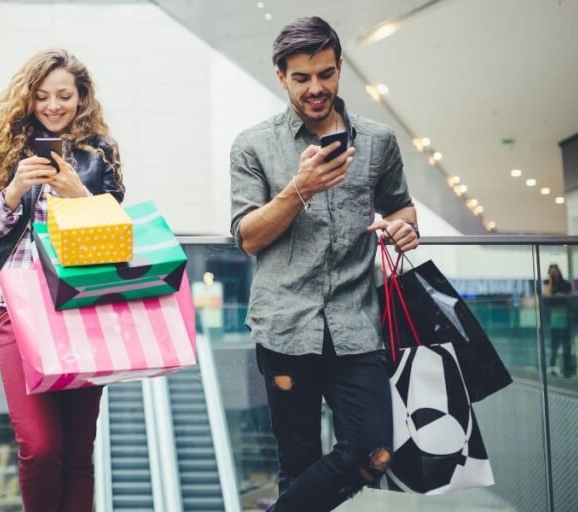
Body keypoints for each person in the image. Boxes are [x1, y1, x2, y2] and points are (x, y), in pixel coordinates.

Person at [230, 16, 420, 511]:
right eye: (302, 78)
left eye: (327, 74)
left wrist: (404, 228)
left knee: (373, 451)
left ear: (339, 70)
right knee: (298, 464)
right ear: (281, 76)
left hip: (357, 325)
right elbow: (247, 237)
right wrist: (299, 189)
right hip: (284, 327)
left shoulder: (377, 141)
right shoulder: (253, 145)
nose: (317, 88)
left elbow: (401, 206)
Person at [0, 49, 125, 512]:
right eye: (42, 97)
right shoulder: (11, 151)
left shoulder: (100, 153)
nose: (53, 106)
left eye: (64, 96)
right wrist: (15, 189)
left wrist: (79, 193)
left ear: (81, 99)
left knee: (78, 451)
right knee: (40, 446)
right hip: (18, 309)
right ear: (29, 100)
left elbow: (118, 237)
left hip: (81, 308)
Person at [544, 263, 574, 377]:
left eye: (555, 271)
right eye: (551, 271)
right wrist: (551, 280)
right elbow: (548, 294)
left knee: (566, 342)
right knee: (554, 342)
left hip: (565, 315)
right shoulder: (548, 283)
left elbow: (571, 296)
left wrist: (562, 295)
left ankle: (567, 366)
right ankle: (552, 364)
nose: (553, 273)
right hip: (554, 316)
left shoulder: (565, 283)